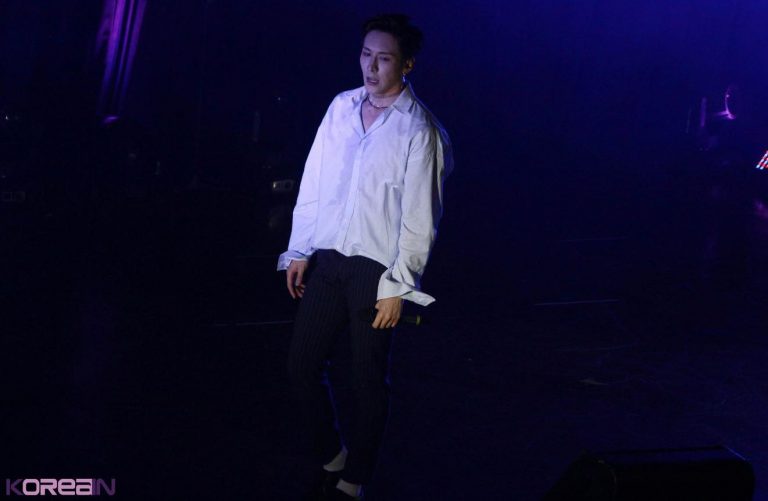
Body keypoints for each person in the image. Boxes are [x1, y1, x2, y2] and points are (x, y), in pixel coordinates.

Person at [277, 13, 452, 500]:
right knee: (301, 367)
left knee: (366, 380)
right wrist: (299, 248)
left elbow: (420, 218)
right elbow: (314, 181)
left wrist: (399, 286)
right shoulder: (341, 107)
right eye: (365, 55)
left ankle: (354, 478)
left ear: (407, 64)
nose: (371, 67)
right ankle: (332, 455)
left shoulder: (420, 130)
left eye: (384, 59)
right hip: (329, 259)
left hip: (376, 273)